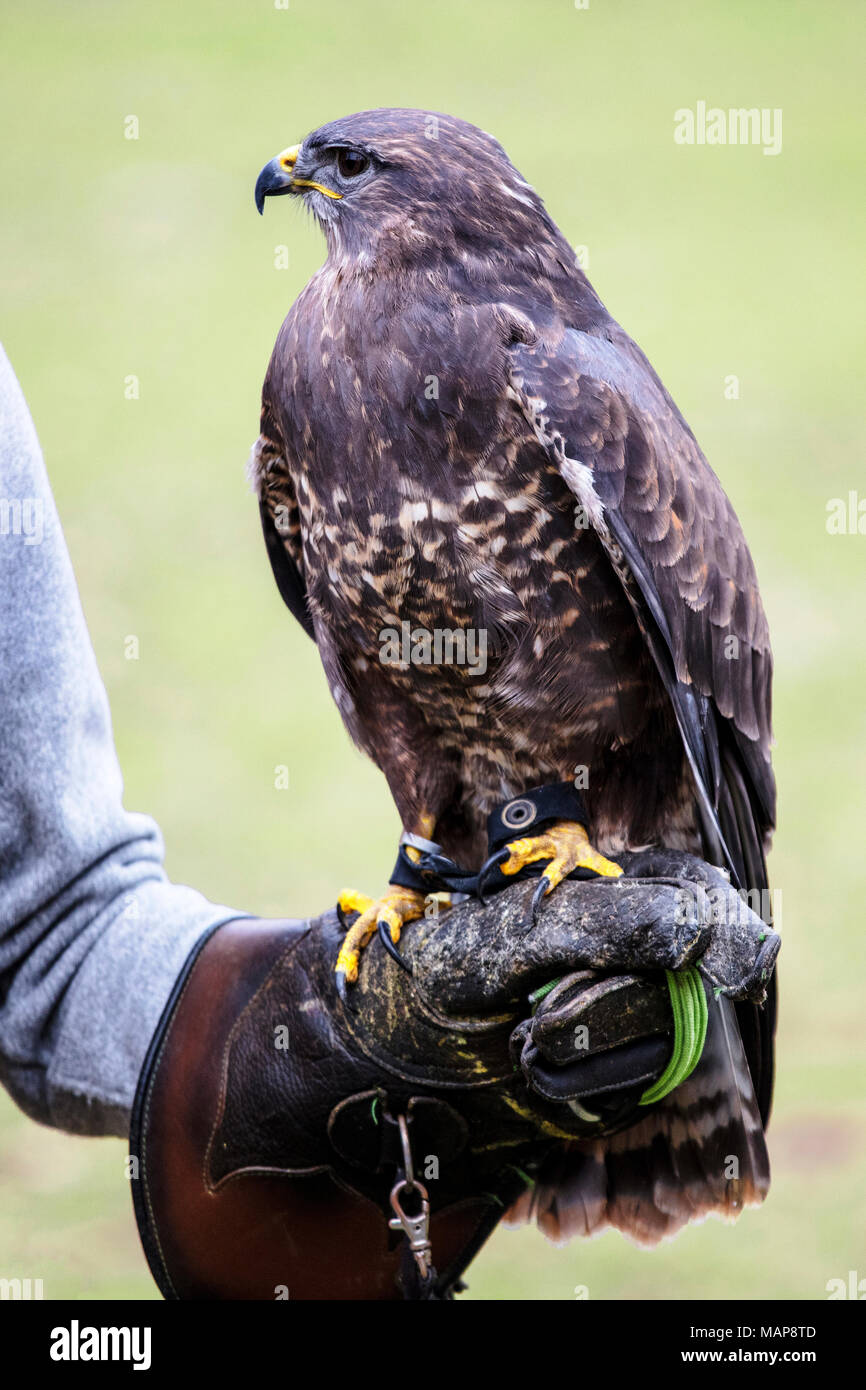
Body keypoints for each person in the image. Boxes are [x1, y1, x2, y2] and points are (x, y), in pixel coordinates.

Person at [0, 346, 778, 1300]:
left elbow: (50, 927)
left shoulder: (567, 377)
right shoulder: (297, 409)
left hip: (627, 807)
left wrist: (308, 1039)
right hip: (472, 815)